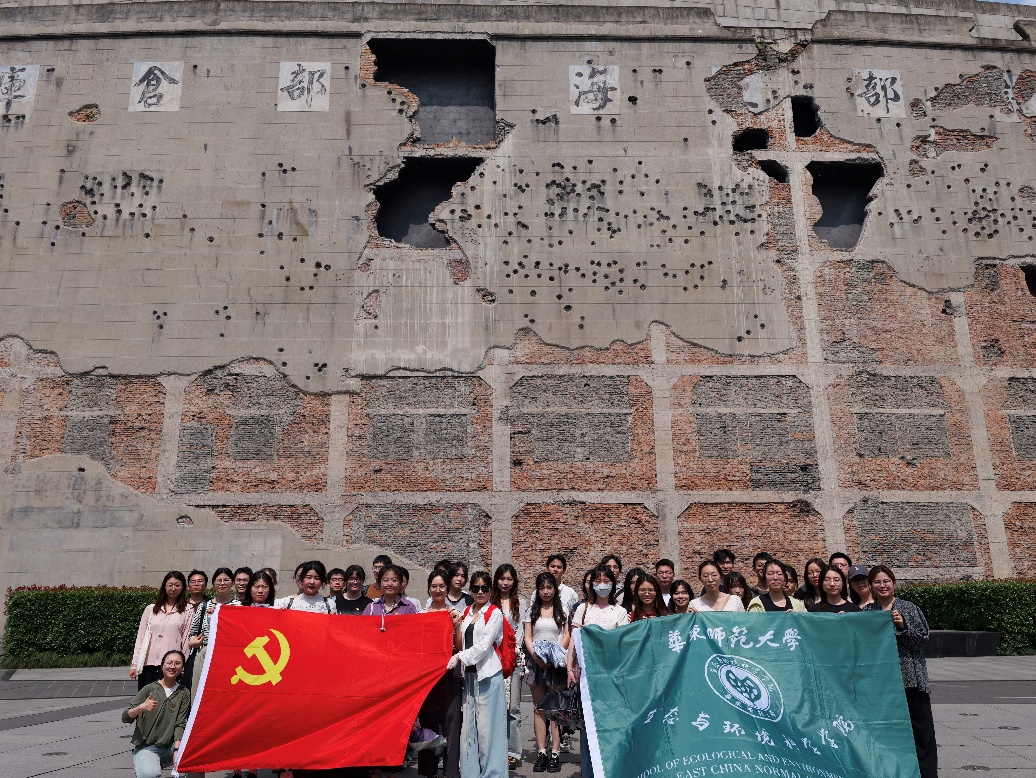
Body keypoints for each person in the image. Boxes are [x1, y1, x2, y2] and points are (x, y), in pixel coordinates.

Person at [865, 565, 937, 778]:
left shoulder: (908, 608)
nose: (882, 585)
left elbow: (922, 639)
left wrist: (904, 626)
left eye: (886, 581)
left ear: (894, 583)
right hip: (882, 683)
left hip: (911, 680)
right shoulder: (868, 612)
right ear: (871, 586)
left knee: (921, 731)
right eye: (877, 582)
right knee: (887, 732)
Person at [566, 565, 628, 778]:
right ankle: (589, 772)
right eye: (598, 581)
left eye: (606, 581)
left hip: (610, 677)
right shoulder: (583, 609)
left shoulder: (619, 612)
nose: (602, 585)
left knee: (611, 725)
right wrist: (570, 667)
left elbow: (622, 643)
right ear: (592, 584)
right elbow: (573, 641)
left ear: (613, 584)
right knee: (589, 727)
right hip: (587, 677)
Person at [447, 571, 507, 778]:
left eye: (484, 588)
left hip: (488, 675)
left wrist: (460, 657)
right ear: (470, 590)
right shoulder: (466, 611)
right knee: (469, 731)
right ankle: (470, 773)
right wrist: (456, 626)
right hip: (470, 676)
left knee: (489, 731)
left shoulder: (495, 613)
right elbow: (460, 643)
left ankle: (493, 774)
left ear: (491, 590)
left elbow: (483, 646)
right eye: (476, 588)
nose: (480, 592)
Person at [523, 572, 570, 773]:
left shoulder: (562, 610)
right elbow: (528, 637)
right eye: (542, 588)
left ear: (554, 589)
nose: (545, 591)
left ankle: (555, 753)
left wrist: (555, 654)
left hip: (556, 663)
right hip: (536, 663)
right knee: (539, 709)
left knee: (555, 710)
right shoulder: (531, 611)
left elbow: (567, 634)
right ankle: (542, 752)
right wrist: (536, 657)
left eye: (549, 587)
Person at [420, 570, 463, 778]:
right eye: (434, 586)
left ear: (448, 588)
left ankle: (451, 770)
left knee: (452, 718)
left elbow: (460, 646)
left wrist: (456, 626)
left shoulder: (454, 613)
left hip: (450, 668)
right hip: (427, 671)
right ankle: (428, 769)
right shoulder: (421, 614)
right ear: (429, 588)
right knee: (428, 718)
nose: (438, 590)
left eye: (442, 586)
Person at [123, 649, 191, 778]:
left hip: (171, 747)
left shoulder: (184, 693)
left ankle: (155, 762)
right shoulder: (149, 689)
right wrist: (141, 707)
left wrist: (177, 750)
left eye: (177, 663)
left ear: (182, 667)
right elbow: (125, 717)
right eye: (169, 663)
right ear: (162, 666)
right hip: (147, 747)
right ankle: (146, 761)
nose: (172, 666)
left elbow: (180, 723)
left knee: (197, 756)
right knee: (149, 774)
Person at [491, 564, 526, 771]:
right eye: (502, 578)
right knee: (495, 707)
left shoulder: (520, 603)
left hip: (513, 660)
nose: (505, 583)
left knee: (513, 708)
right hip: (493, 660)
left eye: (509, 579)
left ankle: (513, 751)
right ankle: (496, 749)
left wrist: (512, 653)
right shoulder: (490, 602)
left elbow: (521, 632)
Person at [131, 572, 190, 690]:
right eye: (170, 585)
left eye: (177, 585)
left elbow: (186, 642)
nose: (173, 588)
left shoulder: (187, 610)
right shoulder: (151, 609)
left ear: (183, 587)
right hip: (148, 664)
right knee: (147, 698)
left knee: (168, 699)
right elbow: (140, 638)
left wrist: (183, 667)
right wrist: (134, 664)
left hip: (171, 666)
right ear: (164, 586)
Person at [186, 567, 234, 692]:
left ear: (232, 583)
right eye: (219, 580)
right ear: (213, 584)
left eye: (226, 580)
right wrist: (193, 641)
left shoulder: (239, 605)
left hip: (229, 658)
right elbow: (192, 632)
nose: (222, 583)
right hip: (205, 656)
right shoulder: (204, 606)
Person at [180, 570, 209, 690]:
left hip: (201, 654)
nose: (196, 584)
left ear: (206, 585)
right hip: (181, 652)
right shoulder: (180, 606)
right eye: (193, 581)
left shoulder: (211, 605)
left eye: (200, 581)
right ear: (188, 586)